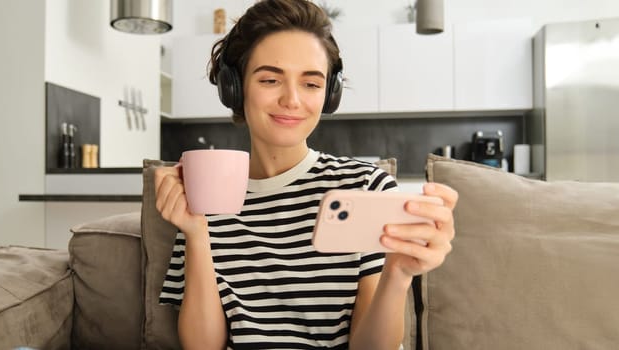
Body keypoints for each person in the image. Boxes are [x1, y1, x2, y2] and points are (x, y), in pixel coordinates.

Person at [154, 0, 458, 348]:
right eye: (270, 79)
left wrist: (397, 275)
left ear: (330, 94)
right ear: (233, 87)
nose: (293, 100)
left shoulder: (366, 188)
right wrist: (196, 233)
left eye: (311, 84)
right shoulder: (204, 195)